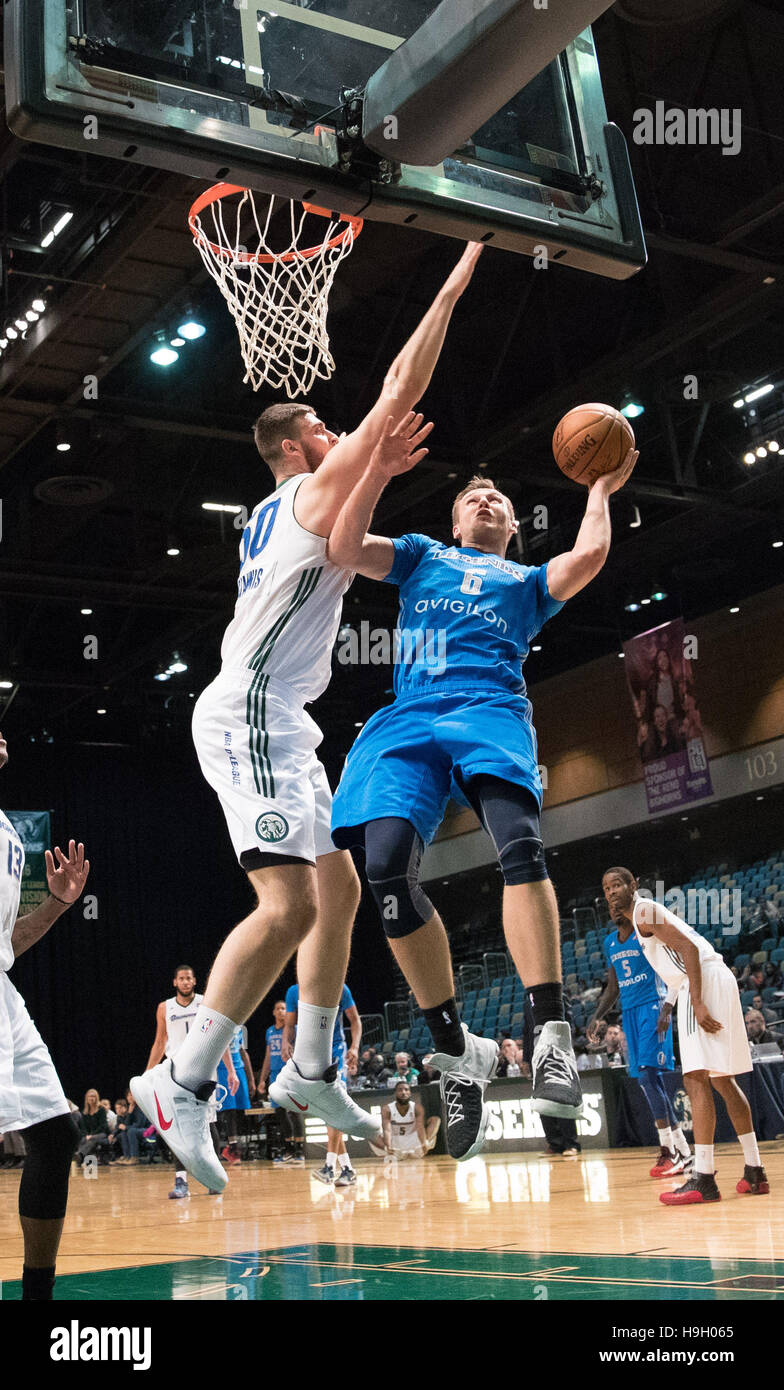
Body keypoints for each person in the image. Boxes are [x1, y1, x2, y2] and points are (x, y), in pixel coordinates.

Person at [131, 246, 483, 1192]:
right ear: (294, 446)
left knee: (339, 892)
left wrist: (374, 471)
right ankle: (181, 1078)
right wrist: (451, 281)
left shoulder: (295, 505)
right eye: (324, 426)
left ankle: (313, 1066)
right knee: (286, 904)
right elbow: (401, 384)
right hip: (249, 707)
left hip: (278, 715)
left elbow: (344, 529)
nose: (339, 432)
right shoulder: (304, 488)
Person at [328, 422, 638, 1160]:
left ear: (509, 527)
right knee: (386, 878)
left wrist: (598, 488)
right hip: (407, 720)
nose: (488, 501)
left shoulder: (527, 586)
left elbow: (589, 555)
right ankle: (455, 1049)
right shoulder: (421, 556)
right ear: (456, 519)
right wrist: (373, 468)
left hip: (488, 709)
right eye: (475, 496)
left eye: (498, 498)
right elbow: (343, 547)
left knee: (521, 848)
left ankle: (550, 1032)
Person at [612, 870, 769, 1204]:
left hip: (702, 982)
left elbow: (688, 950)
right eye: (606, 888)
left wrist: (696, 1001)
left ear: (633, 886)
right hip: (714, 979)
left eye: (617, 885)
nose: (612, 892)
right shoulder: (642, 919)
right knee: (723, 1081)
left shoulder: (643, 910)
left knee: (695, 1079)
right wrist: (670, 1006)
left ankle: (704, 1178)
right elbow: (676, 963)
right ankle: (754, 1170)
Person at [1, 733, 90, 1299]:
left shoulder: (8, 832)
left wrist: (56, 903)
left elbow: (7, 942)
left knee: (57, 1136)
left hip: (2, 993)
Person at [588, 869, 692, 1179]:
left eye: (616, 888)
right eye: (607, 895)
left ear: (631, 891)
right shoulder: (611, 943)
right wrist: (598, 1015)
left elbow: (674, 963)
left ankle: (670, 1150)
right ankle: (681, 1151)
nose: (612, 901)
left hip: (653, 1007)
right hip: (630, 1014)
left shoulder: (644, 929)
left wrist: (668, 1005)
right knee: (649, 1081)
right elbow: (613, 987)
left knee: (649, 1077)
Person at [139, 964, 238, 1198]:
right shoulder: (164, 1008)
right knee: (178, 1129)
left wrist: (231, 1070)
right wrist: (147, 1073)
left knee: (208, 1126)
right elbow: (160, 1042)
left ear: (194, 981)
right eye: (181, 978)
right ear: (175, 982)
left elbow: (219, 1036)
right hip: (176, 1073)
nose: (185, 982)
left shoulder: (206, 1002)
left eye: (188, 978)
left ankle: (213, 1179)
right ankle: (181, 1181)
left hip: (204, 1069)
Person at [284, 980, 362, 1186]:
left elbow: (355, 1020)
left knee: (334, 1108)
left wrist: (354, 1047)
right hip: (310, 1053)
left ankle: (329, 1167)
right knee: (328, 1110)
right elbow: (289, 1025)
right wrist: (286, 1043)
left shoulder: (339, 988)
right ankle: (347, 1169)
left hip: (335, 1050)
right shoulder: (294, 992)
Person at [371, 1081, 440, 1159]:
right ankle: (389, 1151)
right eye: (400, 1090)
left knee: (435, 1120)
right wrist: (388, 1146)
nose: (403, 1092)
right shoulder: (387, 1109)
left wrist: (423, 1144)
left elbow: (420, 1127)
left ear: (410, 1093)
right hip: (395, 1143)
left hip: (414, 1142)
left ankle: (424, 1146)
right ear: (395, 1093)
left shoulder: (417, 1107)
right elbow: (387, 1130)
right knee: (369, 1130)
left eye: (406, 1090)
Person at [217, 1024, 254, 1164]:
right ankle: (232, 1148)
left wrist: (251, 1079)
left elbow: (244, 1053)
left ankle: (234, 1145)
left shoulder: (241, 1028)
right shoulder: (219, 1024)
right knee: (228, 1111)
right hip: (222, 1070)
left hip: (239, 1070)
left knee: (240, 1111)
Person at [76, 1089, 110, 1165]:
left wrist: (92, 1135)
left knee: (92, 1139)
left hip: (101, 1133)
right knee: (83, 1139)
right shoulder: (84, 1112)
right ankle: (80, 1159)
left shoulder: (101, 1110)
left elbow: (103, 1126)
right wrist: (86, 1135)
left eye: (93, 1096)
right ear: (87, 1098)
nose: (92, 1098)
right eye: (90, 1096)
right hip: (89, 1135)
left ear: (96, 1098)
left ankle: (79, 1155)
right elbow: (83, 1128)